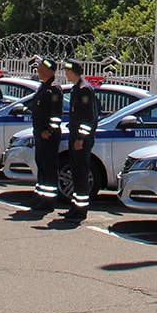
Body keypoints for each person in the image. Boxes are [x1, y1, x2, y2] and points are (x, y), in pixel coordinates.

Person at [62, 59, 97, 222]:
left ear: (72, 72)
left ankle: (81, 209)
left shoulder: (85, 90)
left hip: (81, 139)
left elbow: (89, 118)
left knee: (81, 173)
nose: (65, 74)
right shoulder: (76, 89)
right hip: (75, 135)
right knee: (76, 173)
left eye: (67, 71)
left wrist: (81, 138)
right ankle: (75, 206)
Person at [29, 58, 64, 210]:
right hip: (39, 133)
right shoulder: (43, 87)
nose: (38, 71)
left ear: (49, 70)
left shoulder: (53, 89)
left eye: (41, 69)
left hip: (48, 136)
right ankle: (40, 196)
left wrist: (49, 131)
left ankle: (48, 201)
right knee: (41, 165)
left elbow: (56, 115)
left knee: (49, 167)